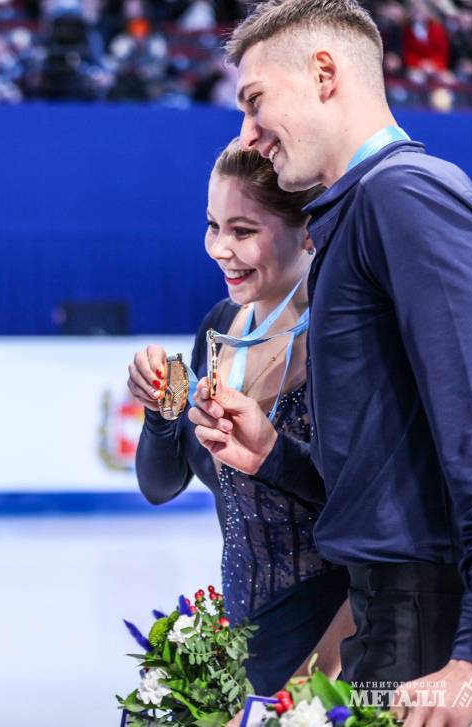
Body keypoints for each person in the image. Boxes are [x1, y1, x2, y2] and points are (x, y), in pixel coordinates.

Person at [194, 0, 472, 718]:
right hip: (393, 614)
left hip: (434, 624)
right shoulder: (362, 209)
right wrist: (271, 452)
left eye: (255, 100)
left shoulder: (406, 197)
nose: (247, 132)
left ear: (325, 73)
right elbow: (388, 477)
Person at [129, 139, 349, 694]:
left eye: (243, 231)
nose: (219, 249)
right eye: (212, 226)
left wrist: (271, 451)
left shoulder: (341, 336)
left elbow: (370, 503)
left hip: (338, 635)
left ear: (306, 230)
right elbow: (162, 486)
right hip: (243, 637)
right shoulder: (220, 325)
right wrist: (162, 413)